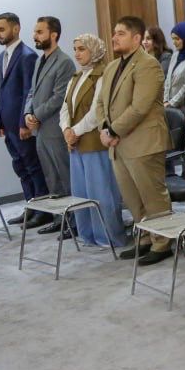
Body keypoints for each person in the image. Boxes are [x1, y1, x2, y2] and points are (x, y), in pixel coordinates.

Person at [95, 16, 173, 265]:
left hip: (143, 142)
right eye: (114, 33)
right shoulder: (111, 67)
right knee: (132, 198)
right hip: (118, 144)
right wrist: (103, 129)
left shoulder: (148, 65)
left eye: (121, 33)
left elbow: (140, 107)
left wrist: (112, 131)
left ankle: (163, 243)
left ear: (137, 38)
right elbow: (100, 103)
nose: (114, 37)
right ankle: (146, 237)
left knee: (152, 196)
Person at [60, 34, 128, 249]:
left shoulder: (103, 74)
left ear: (94, 50)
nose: (77, 53)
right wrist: (66, 130)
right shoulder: (76, 76)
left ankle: (108, 236)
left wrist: (75, 131)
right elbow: (65, 107)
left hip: (93, 141)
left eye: (82, 49)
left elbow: (96, 112)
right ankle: (87, 234)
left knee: (101, 192)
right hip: (75, 143)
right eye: (75, 49)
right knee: (81, 193)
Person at [0, 13, 48, 226]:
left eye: (1, 29)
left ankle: (43, 210)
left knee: (33, 166)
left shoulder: (27, 56)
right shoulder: (2, 57)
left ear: (15, 29)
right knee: (20, 167)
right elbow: (2, 91)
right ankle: (31, 206)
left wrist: (23, 123)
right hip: (7, 124)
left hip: (21, 124)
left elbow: (28, 92)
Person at [23, 17, 75, 237]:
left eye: (40, 32)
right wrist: (27, 113)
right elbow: (32, 92)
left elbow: (60, 96)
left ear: (53, 35)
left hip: (55, 128)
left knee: (64, 176)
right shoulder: (39, 61)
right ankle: (59, 219)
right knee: (51, 177)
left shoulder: (64, 62)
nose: (35, 36)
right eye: (35, 32)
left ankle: (73, 222)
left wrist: (37, 114)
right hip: (41, 130)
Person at [163, 22, 185, 109]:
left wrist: (172, 103)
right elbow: (168, 79)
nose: (174, 42)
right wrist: (165, 100)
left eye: (177, 39)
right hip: (168, 104)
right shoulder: (175, 54)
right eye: (173, 39)